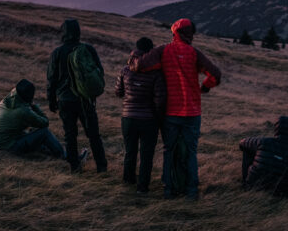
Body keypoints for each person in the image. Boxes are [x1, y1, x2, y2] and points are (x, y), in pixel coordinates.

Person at [129, 18, 221, 200]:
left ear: (175, 33)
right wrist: (205, 86)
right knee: (191, 152)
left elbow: (141, 65)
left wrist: (132, 58)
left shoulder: (164, 50)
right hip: (193, 111)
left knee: (168, 150)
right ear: (190, 34)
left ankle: (168, 190)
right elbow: (215, 74)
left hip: (171, 112)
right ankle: (191, 191)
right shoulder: (195, 53)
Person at [47, 19, 107, 173]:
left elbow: (52, 79)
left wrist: (52, 100)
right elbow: (98, 71)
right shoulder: (87, 49)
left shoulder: (58, 52)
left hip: (65, 99)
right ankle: (101, 167)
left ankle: (75, 167)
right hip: (85, 99)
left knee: (70, 134)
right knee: (93, 134)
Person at [115, 37, 166, 194]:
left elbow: (118, 92)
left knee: (130, 151)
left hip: (128, 117)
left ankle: (128, 181)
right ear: (151, 51)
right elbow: (160, 100)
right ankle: (142, 187)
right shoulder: (157, 72)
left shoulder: (125, 69)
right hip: (148, 120)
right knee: (147, 155)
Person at [0, 79, 86, 161]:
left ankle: (52, 150)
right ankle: (67, 157)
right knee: (44, 133)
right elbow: (45, 122)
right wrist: (35, 107)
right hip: (9, 147)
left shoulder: (8, 99)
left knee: (34, 133)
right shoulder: (23, 111)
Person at [239, 116, 288, 200]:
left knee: (247, 149)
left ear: (276, 128)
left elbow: (242, 143)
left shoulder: (262, 142)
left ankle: (245, 182)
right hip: (282, 193)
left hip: (253, 187)